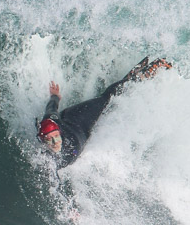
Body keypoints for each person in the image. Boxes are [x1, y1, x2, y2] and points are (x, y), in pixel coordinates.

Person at [37, 57, 172, 168]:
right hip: (83, 136)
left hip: (77, 119)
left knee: (107, 99)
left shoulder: (51, 120)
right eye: (50, 139)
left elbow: (52, 108)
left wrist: (55, 96)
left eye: (56, 136)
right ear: (43, 140)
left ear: (58, 131)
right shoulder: (50, 160)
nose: (56, 142)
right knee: (110, 111)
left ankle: (142, 76)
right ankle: (128, 82)